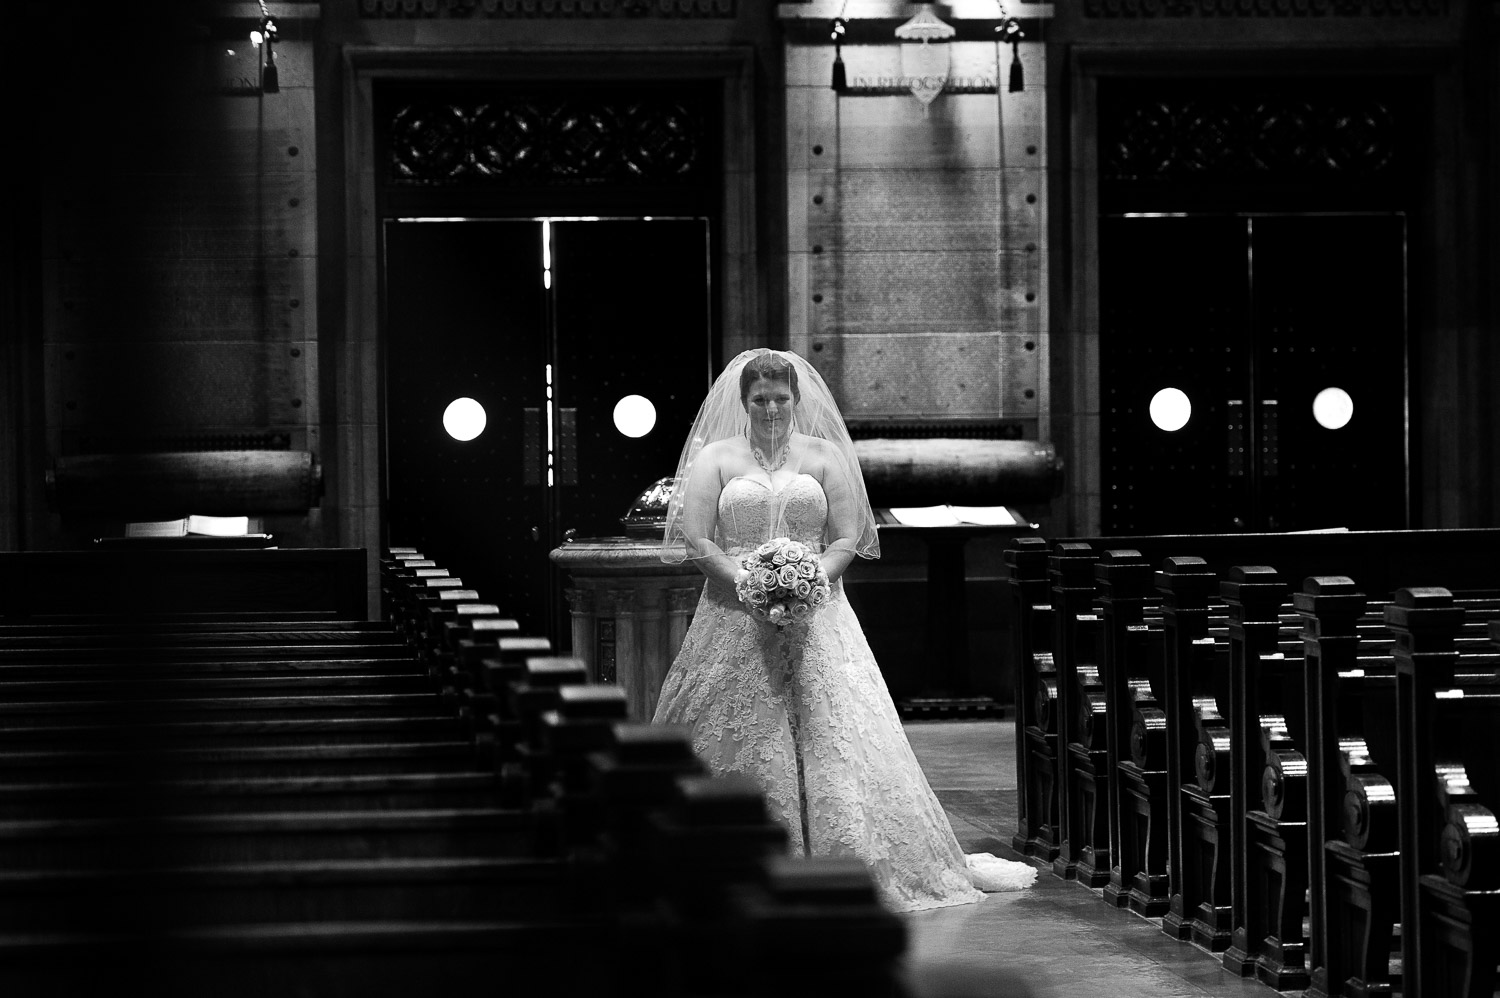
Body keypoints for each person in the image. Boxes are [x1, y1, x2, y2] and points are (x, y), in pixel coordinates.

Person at [653, 348, 1036, 912]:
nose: (772, 410)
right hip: (733, 612)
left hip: (819, 610)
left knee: (834, 727)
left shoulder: (825, 454)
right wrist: (748, 582)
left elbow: (845, 537)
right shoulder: (716, 456)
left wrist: (808, 581)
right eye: (760, 400)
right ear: (743, 402)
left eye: (781, 399)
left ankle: (843, 857)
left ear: (796, 399)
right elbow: (698, 539)